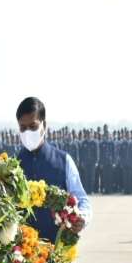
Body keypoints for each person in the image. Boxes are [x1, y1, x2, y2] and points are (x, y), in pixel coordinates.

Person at [15, 97, 91, 249]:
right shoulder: (13, 167)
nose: (28, 132)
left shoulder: (64, 161)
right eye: (23, 128)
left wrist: (82, 217)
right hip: (23, 257)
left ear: (44, 125)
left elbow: (81, 198)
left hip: (57, 252)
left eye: (33, 126)